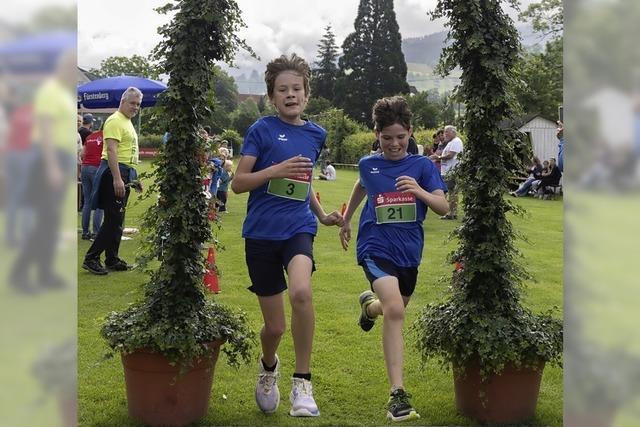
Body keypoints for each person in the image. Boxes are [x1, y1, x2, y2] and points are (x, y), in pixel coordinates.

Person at [231, 53, 343, 418]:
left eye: (297, 88)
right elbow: (238, 184)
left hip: (298, 228)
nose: (290, 94)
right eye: (283, 90)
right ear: (272, 96)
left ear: (307, 95)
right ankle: (268, 368)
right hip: (261, 235)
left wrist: (323, 215)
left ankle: (302, 383)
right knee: (275, 326)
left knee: (301, 291)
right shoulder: (260, 130)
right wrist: (274, 168)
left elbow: (304, 181)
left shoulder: (316, 134)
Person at [339, 96, 448, 422]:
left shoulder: (423, 167)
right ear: (377, 135)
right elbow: (362, 184)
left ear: (410, 132)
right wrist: (347, 218)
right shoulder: (368, 163)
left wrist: (419, 191)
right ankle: (397, 395)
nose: (394, 144)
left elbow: (443, 207)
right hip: (375, 248)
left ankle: (368, 307)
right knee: (397, 311)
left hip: (408, 254)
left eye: (400, 137)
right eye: (387, 138)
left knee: (389, 308)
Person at [82, 87, 143, 275]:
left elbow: (128, 152)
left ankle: (112, 258)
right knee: (113, 219)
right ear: (122, 102)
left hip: (125, 172)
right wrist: (117, 178)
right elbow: (111, 151)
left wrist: (134, 178)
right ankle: (91, 258)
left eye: (138, 104)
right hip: (113, 172)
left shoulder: (127, 121)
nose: (135, 107)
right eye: (132, 103)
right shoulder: (115, 120)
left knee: (118, 219)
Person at [80, 128, 105, 239]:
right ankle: (96, 232)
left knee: (87, 202)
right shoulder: (107, 136)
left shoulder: (90, 137)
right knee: (100, 201)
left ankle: (85, 232)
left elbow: (82, 154)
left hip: (85, 168)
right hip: (97, 167)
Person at [434, 125, 463, 219]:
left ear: (453, 132)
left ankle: (451, 213)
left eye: (447, 132)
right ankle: (451, 213)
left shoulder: (456, 141)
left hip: (451, 171)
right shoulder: (451, 142)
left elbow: (451, 155)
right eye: (445, 132)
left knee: (451, 192)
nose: (445, 134)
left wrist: (438, 158)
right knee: (451, 193)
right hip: (448, 171)